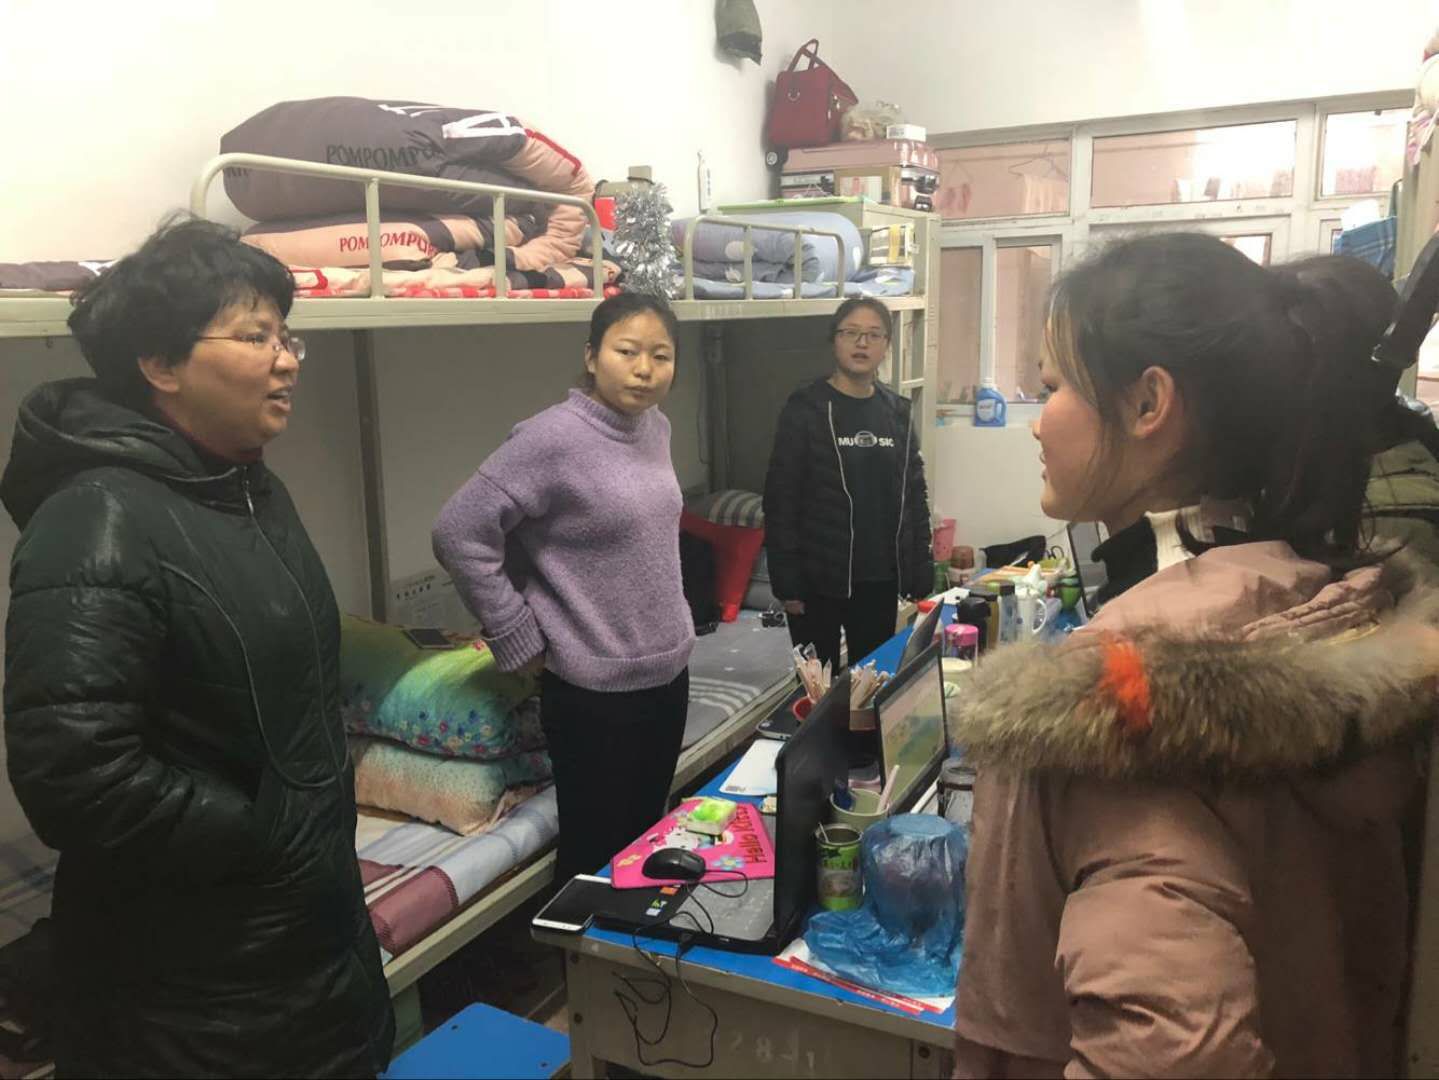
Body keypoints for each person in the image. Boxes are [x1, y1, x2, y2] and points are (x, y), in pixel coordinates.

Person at [947, 234, 1437, 1078]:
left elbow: (1176, 1048)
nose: (1037, 419)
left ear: (1147, 403)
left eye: (1055, 387)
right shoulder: (1312, 595)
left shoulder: (1127, 704)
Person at [1, 219, 394, 1076]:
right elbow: (76, 776)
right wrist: (262, 834)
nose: (287, 361)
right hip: (194, 990)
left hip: (300, 938)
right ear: (160, 363)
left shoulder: (246, 488)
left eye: (288, 337)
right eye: (256, 337)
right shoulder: (97, 519)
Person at [433, 292, 694, 883]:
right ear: (592, 355)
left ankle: (634, 943)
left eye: (661, 356)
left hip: (667, 671)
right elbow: (459, 531)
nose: (644, 369)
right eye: (627, 351)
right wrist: (515, 631)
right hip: (593, 688)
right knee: (596, 857)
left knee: (645, 841)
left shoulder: (655, 427)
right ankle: (581, 943)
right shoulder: (551, 439)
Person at [763, 297, 932, 672]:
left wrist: (920, 566)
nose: (862, 343)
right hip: (816, 580)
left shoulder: (896, 413)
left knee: (872, 685)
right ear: (834, 340)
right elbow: (780, 499)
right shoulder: (806, 409)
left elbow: (914, 494)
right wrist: (787, 582)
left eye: (874, 335)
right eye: (851, 332)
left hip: (879, 580)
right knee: (817, 690)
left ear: (887, 344)